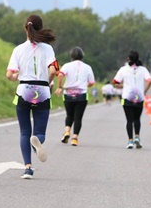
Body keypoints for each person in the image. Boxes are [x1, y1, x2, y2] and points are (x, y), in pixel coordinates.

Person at [6, 14, 59, 179]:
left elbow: (9, 74)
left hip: (24, 90)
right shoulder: (48, 49)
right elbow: (53, 70)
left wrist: (15, 77)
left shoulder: (18, 49)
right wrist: (47, 82)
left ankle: (28, 168)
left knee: (24, 132)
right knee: (39, 132)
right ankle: (37, 140)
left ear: (25, 28)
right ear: (40, 29)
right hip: (42, 90)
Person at [55, 47, 95, 146]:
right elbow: (91, 82)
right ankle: (74, 138)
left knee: (69, 115)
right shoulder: (87, 67)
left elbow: (60, 75)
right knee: (78, 117)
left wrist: (59, 87)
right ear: (82, 56)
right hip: (81, 95)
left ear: (72, 56)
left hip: (68, 94)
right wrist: (86, 85)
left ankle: (67, 132)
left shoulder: (67, 65)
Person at [112, 51, 151, 149]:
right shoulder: (143, 69)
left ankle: (130, 141)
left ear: (128, 59)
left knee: (129, 120)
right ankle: (137, 137)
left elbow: (115, 82)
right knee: (137, 119)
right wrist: (144, 91)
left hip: (127, 97)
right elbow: (150, 81)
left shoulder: (123, 69)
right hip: (139, 97)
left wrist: (124, 86)